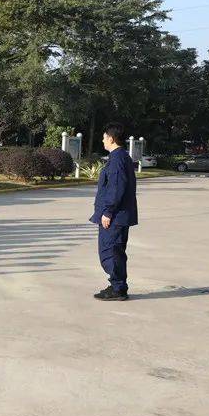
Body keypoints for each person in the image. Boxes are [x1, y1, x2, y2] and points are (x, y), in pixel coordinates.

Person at [90, 122, 138, 301]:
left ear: (111, 138)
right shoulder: (121, 157)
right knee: (115, 251)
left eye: (104, 137)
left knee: (110, 251)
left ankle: (118, 288)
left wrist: (108, 212)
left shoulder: (117, 159)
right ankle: (117, 285)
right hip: (119, 215)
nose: (102, 140)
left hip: (115, 216)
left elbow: (116, 187)